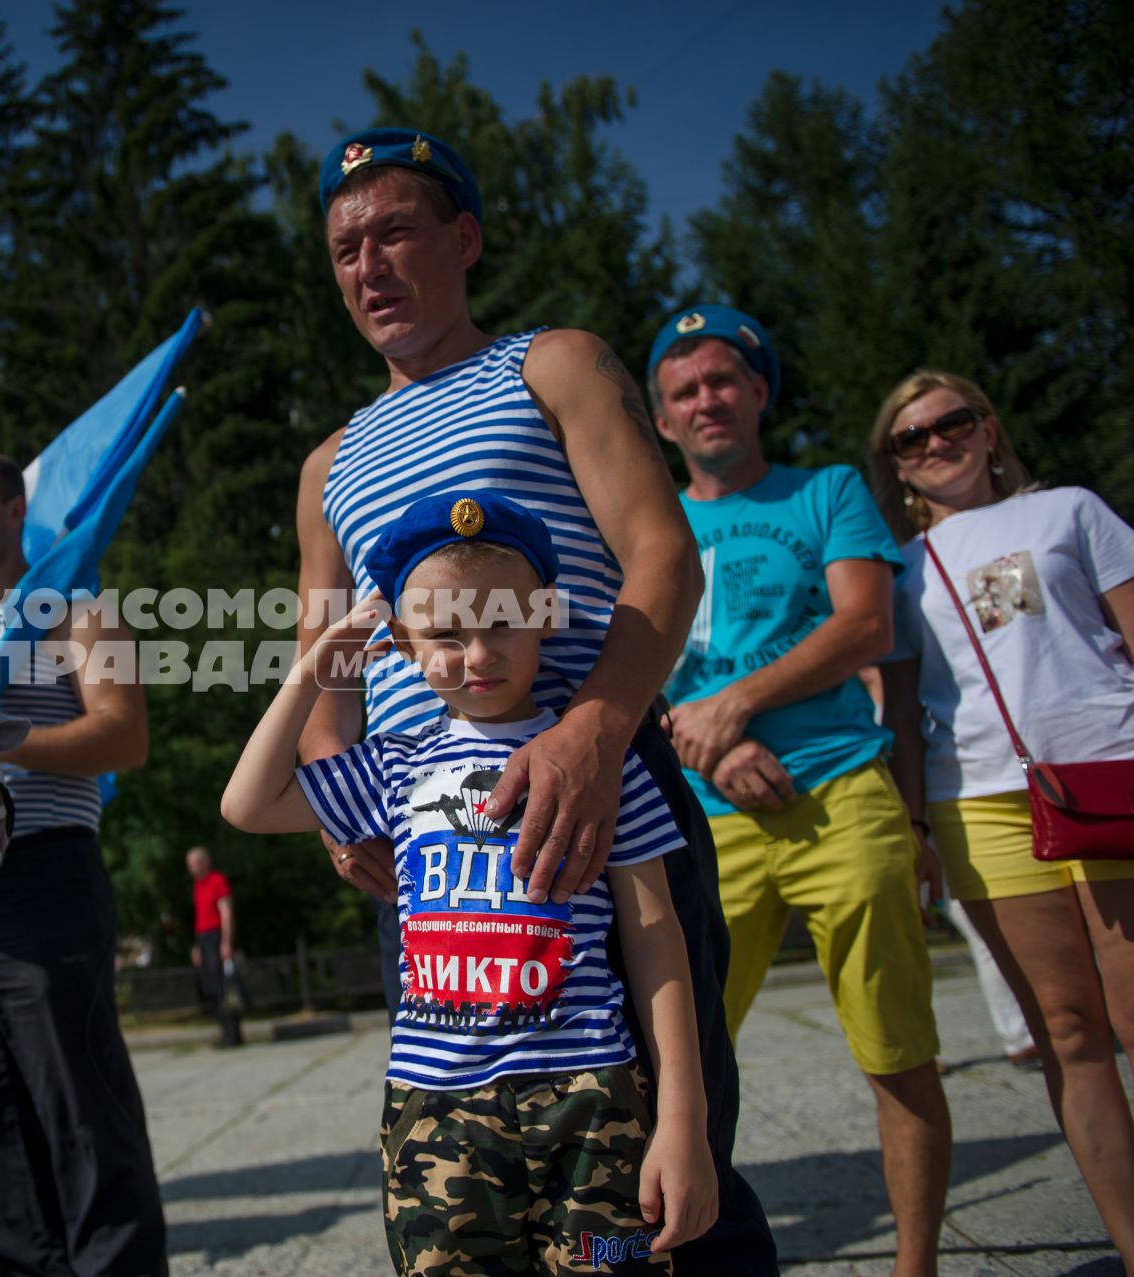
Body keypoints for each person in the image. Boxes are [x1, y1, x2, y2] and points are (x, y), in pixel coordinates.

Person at [295, 127, 775, 1272]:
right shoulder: (328, 464)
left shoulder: (549, 364)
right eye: (345, 246)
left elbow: (663, 555)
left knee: (668, 1151)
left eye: (396, 230)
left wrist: (597, 727)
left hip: (599, 797)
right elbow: (324, 651)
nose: (370, 264)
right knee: (482, 1158)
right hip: (433, 834)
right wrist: (330, 792)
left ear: (462, 237)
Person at [226, 491, 717, 1272]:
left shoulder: (601, 764)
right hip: (435, 1107)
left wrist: (682, 1117)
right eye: (446, 635)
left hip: (592, 1095)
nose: (477, 654)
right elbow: (248, 804)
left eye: (500, 626)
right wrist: (312, 673)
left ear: (545, 616)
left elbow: (658, 939)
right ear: (401, 642)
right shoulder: (394, 764)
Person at [647, 306, 952, 1275]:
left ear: (760, 391)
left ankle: (914, 1264)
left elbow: (866, 624)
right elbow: (616, 673)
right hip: (702, 819)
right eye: (684, 389)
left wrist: (732, 705)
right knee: (673, 1067)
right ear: (659, 418)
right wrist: (706, 751)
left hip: (840, 795)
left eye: (724, 379)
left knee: (895, 1047)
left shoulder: (827, 493)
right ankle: (680, 1253)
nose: (707, 400)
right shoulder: (645, 525)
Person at [867, 368, 1134, 1270]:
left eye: (951, 422)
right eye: (911, 437)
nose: (936, 441)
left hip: (1107, 768)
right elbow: (903, 708)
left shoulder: (1072, 509)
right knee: (1067, 1029)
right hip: (975, 796)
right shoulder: (899, 567)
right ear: (897, 466)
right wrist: (910, 823)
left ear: (989, 430)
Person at [0, 451, 169, 1276]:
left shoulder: (75, 605)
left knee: (78, 1103)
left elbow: (126, 734)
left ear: (11, 510)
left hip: (44, 871)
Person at [185, 846, 242, 1048]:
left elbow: (226, 914)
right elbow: (199, 918)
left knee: (222, 987)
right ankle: (225, 1031)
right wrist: (197, 947)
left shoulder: (217, 881)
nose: (191, 868)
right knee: (209, 987)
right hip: (203, 939)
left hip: (216, 936)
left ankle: (233, 1034)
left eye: (193, 864)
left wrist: (226, 942)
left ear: (204, 862)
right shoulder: (197, 885)